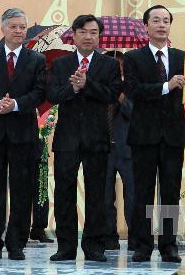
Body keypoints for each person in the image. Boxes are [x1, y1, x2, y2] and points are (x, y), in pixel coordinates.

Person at [123, 5, 185, 263]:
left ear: (171, 25)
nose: (161, 24)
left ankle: (169, 245)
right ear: (145, 26)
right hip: (143, 136)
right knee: (143, 193)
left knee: (170, 193)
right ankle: (143, 245)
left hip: (172, 135)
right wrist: (166, 86)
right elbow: (134, 90)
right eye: (155, 20)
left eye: (166, 20)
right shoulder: (133, 58)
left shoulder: (183, 56)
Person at [47, 15, 122, 262]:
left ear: (99, 36)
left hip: (97, 138)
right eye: (83, 32)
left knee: (97, 195)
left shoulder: (109, 65)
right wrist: (73, 88)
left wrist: (87, 84)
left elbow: (112, 96)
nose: (88, 36)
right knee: (64, 193)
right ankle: (65, 247)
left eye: (93, 32)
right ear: (75, 35)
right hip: (67, 139)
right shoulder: (61, 64)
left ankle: (94, 247)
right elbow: (53, 95)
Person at [0, 8, 46, 260]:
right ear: (3, 29)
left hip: (23, 134)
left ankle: (16, 243)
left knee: (21, 190)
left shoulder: (36, 60)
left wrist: (15, 104)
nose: (19, 31)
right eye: (14, 27)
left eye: (22, 27)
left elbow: (40, 92)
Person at [103, 51, 135, 251]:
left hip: (127, 149)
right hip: (104, 149)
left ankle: (136, 238)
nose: (117, 69)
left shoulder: (132, 87)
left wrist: (122, 96)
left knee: (133, 196)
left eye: (120, 66)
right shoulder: (100, 87)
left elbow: (135, 113)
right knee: (105, 198)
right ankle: (109, 238)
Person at [29, 137, 54, 243]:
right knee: (21, 193)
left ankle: (39, 229)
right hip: (19, 144)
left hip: (39, 150)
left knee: (41, 192)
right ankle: (20, 232)